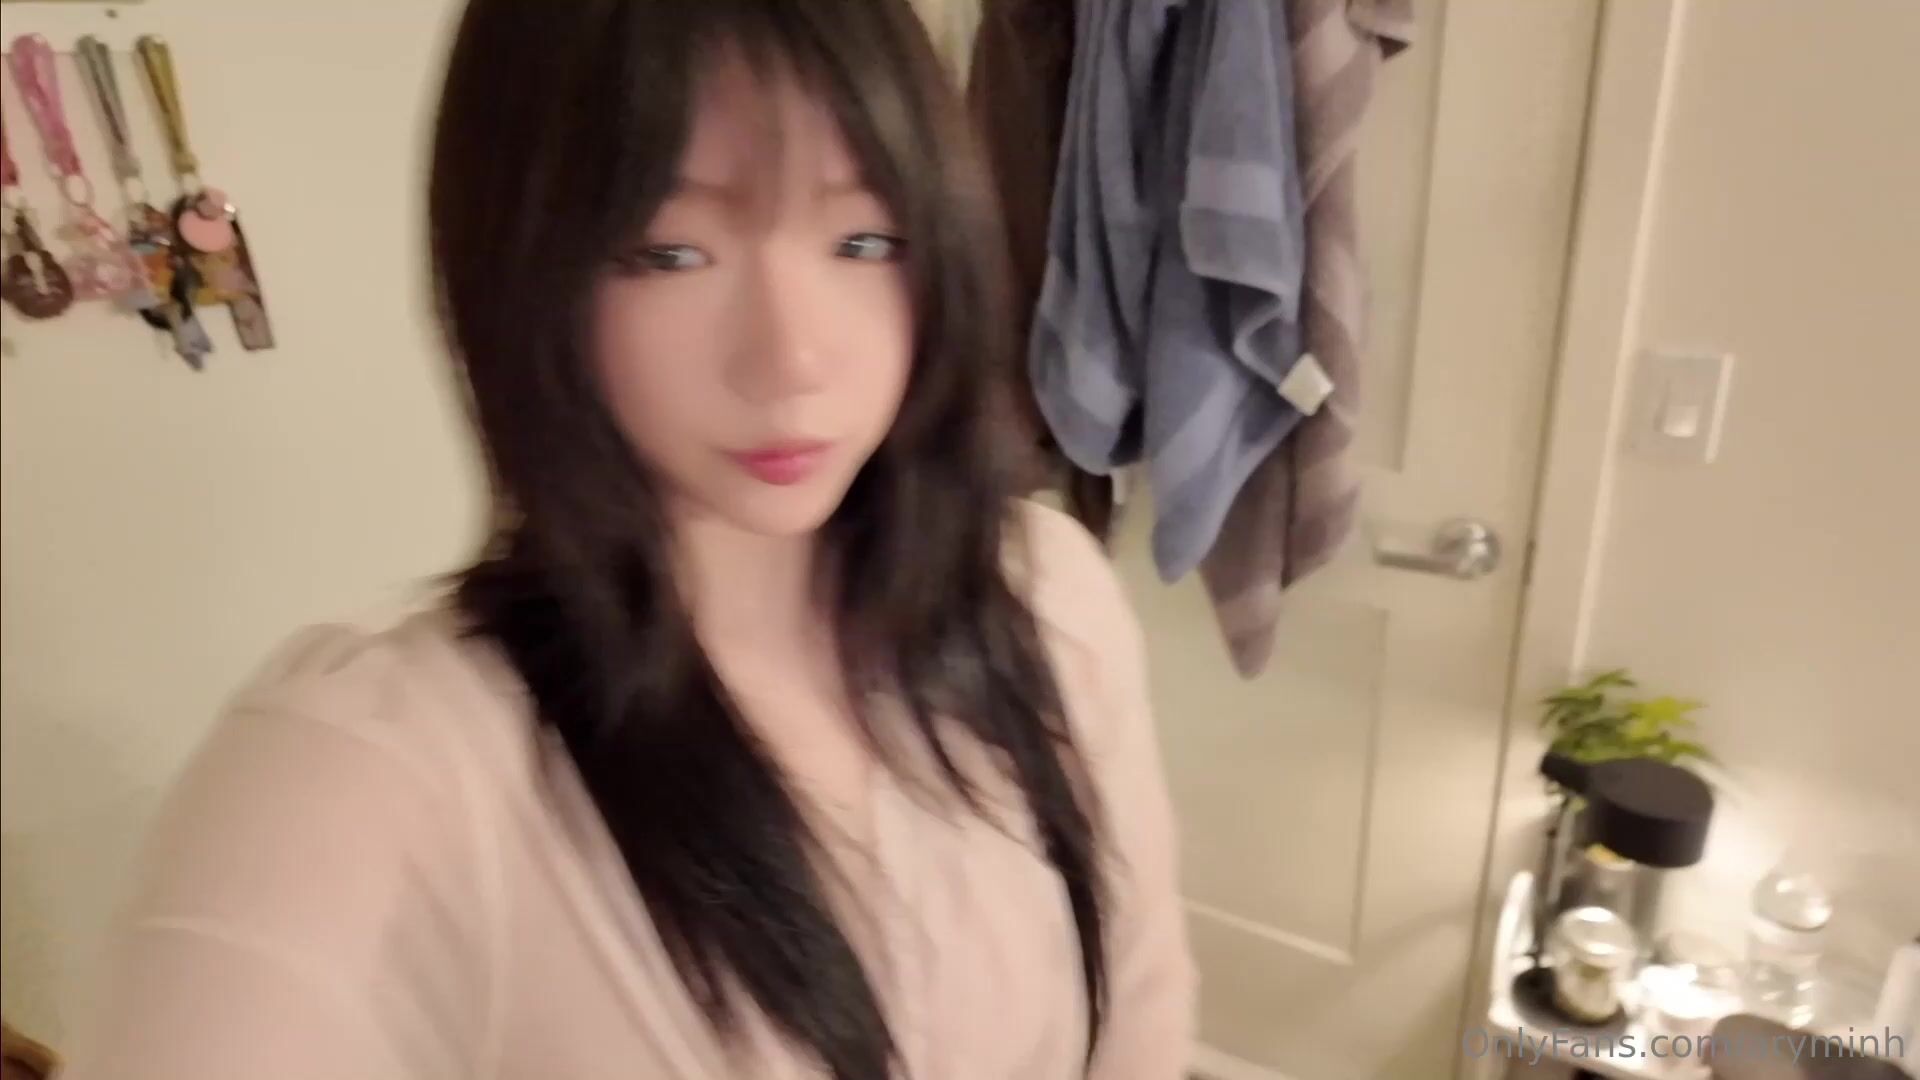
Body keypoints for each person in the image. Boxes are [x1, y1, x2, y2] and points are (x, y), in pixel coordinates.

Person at [65, 2, 1195, 1078]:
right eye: (669, 253)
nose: (792, 359)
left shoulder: (1047, 597)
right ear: (525, 267)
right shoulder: (371, 769)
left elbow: (1140, 1025)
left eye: (864, 240)